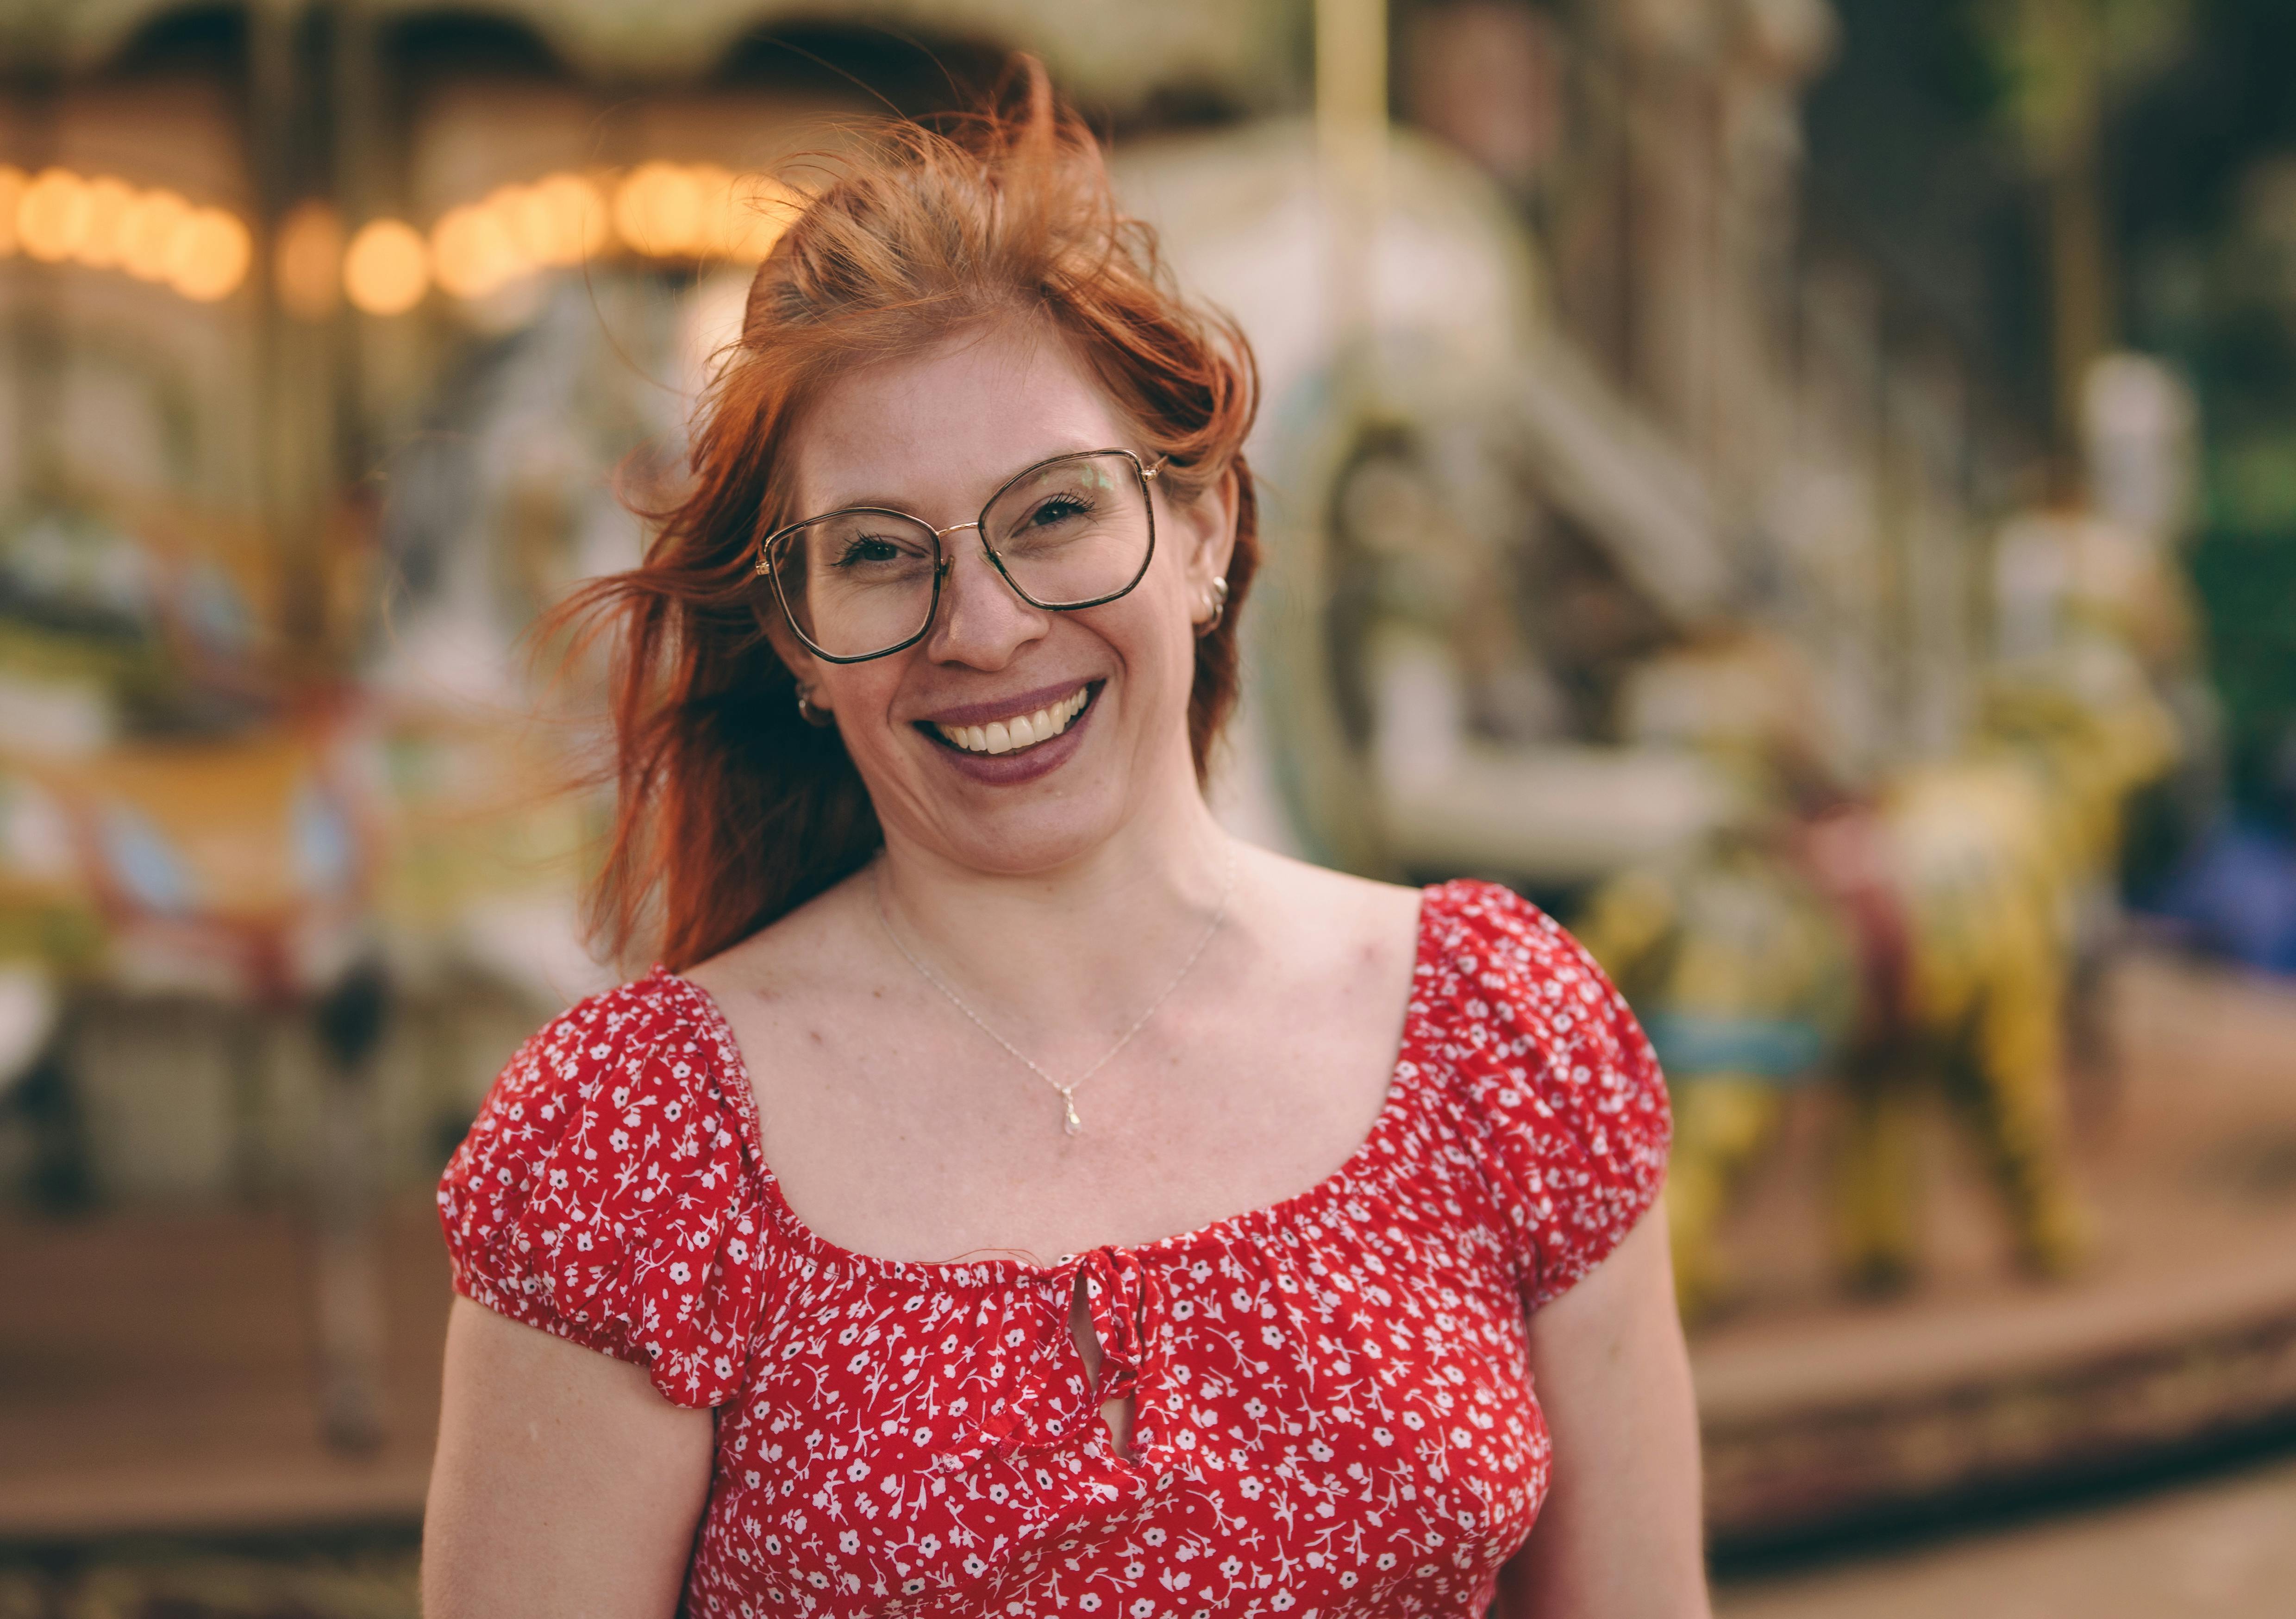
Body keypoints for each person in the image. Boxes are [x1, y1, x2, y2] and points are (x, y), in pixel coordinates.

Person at [421, 61, 1702, 1619]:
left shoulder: (1498, 1034)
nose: (983, 627)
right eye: (881, 554)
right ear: (802, 641)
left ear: (1208, 530)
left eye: (1053, 514)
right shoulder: (641, 1146)